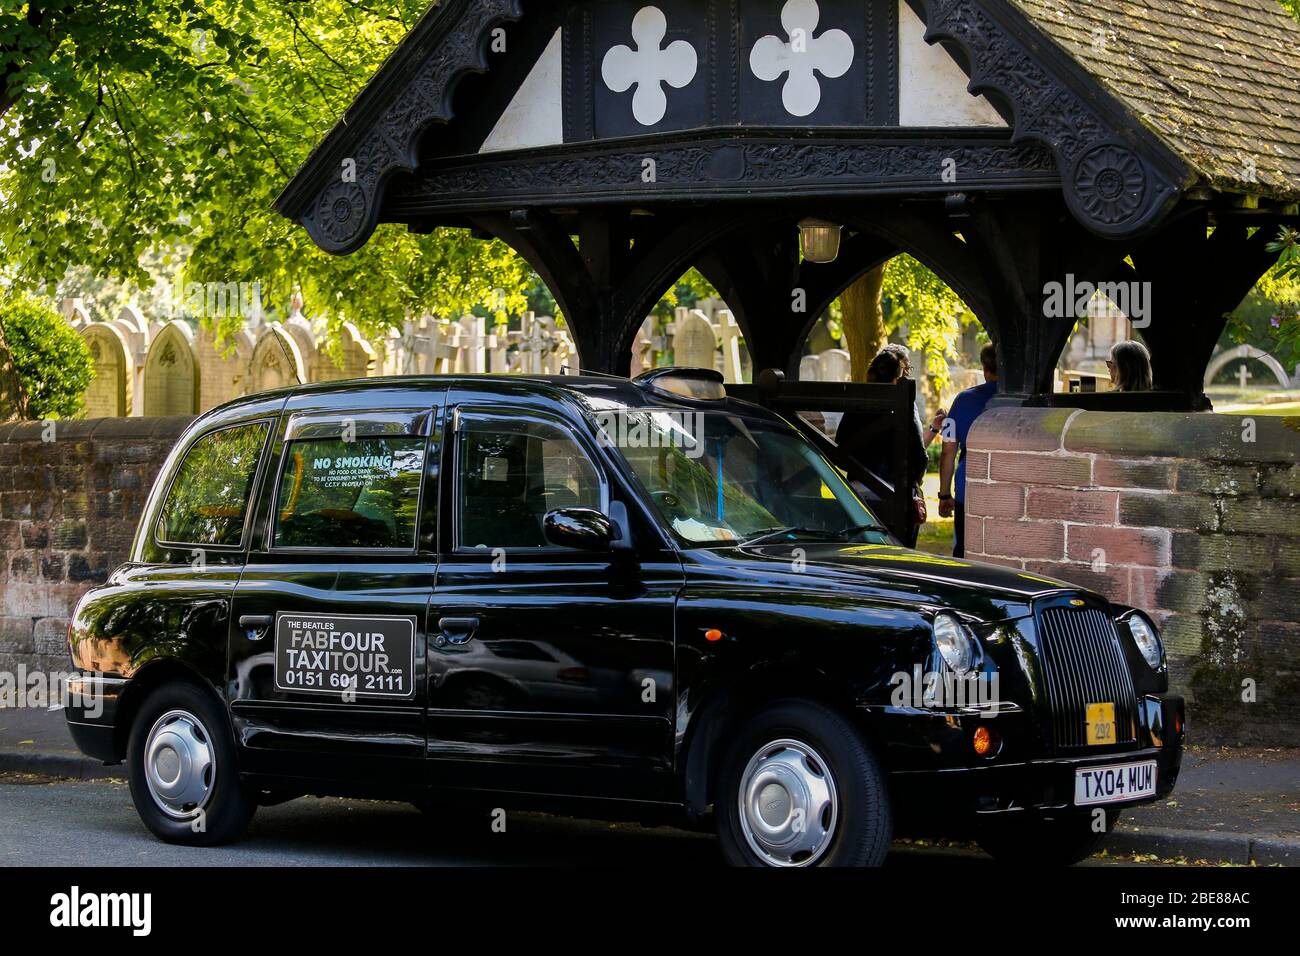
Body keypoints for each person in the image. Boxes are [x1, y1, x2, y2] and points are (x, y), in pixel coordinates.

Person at [836, 344, 944, 548]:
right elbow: (919, 456)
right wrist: (913, 484)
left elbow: (840, 443)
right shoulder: (903, 403)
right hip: (895, 492)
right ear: (898, 377)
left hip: (857, 491)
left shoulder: (857, 400)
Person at [938, 343, 998, 557]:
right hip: (1008, 489)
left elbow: (947, 451)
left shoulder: (963, 400)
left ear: (985, 368)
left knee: (965, 552)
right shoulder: (1024, 400)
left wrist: (944, 494)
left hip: (969, 485)